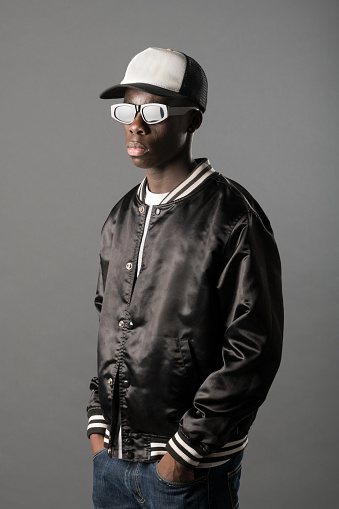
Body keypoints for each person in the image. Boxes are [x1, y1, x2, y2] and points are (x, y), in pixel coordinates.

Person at [87, 47, 283, 509]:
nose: (135, 124)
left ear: (192, 120)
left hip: (185, 472)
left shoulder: (233, 216)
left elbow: (254, 347)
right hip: (113, 463)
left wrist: (185, 455)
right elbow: (109, 322)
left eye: (153, 110)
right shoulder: (121, 216)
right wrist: (99, 422)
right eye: (125, 109)